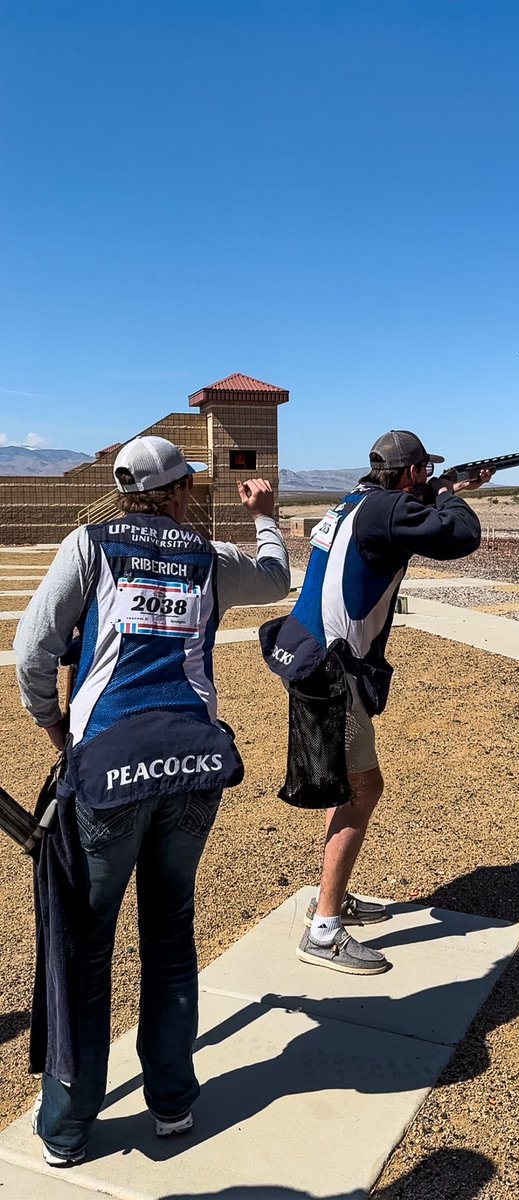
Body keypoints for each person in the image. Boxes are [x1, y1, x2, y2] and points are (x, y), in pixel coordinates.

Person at [14, 435, 290, 1166]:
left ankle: (68, 1128)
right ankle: (173, 1103)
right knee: (170, 936)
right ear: (177, 491)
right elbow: (274, 580)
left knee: (85, 945)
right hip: (194, 764)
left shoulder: (90, 543)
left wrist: (54, 723)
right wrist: (264, 514)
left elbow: (34, 649)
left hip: (107, 768)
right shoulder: (206, 556)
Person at [260, 429, 489, 976]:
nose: (429, 478)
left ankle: (332, 902)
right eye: (425, 473)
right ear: (411, 473)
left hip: (308, 652)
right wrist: (454, 494)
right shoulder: (388, 509)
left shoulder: (354, 503)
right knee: (363, 788)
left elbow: (402, 525)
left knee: (354, 785)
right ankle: (324, 927)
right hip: (331, 668)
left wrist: (440, 492)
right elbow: (461, 536)